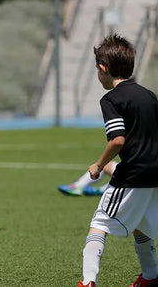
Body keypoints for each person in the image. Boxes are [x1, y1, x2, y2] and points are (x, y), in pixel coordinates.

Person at [78, 34, 158, 287]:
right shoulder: (149, 95)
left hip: (132, 174)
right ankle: (150, 276)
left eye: (97, 70)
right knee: (140, 224)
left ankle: (88, 282)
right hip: (155, 173)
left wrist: (98, 166)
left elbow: (117, 140)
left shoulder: (111, 99)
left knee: (99, 223)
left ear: (103, 68)